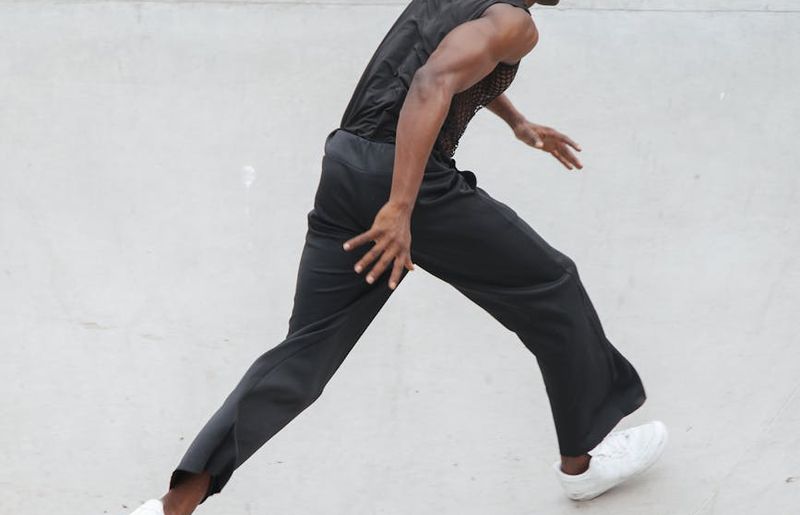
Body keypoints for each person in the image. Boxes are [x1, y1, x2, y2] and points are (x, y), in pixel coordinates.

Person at [130, 0, 667, 513]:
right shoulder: (516, 23)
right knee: (552, 285)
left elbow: (444, 63)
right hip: (407, 185)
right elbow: (431, 82)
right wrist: (401, 206)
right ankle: (583, 463)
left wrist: (514, 120)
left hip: (344, 166)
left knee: (305, 352)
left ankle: (173, 505)